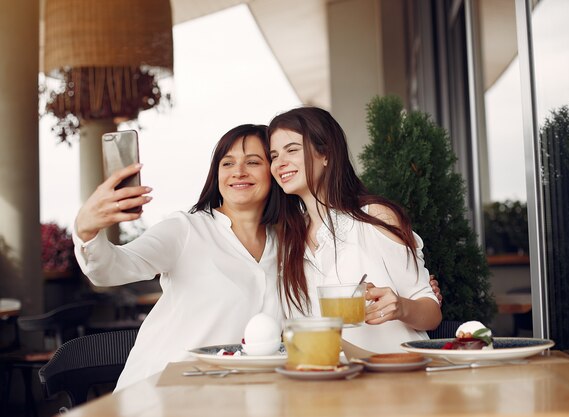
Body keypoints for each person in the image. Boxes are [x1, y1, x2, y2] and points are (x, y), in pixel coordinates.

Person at [72, 124, 283, 390]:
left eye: (253, 161)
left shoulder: (286, 245)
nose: (238, 171)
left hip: (232, 398)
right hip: (159, 393)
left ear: (273, 171)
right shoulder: (185, 229)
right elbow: (113, 269)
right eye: (227, 163)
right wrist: (87, 229)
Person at [268, 106, 442, 354]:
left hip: (395, 379)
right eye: (274, 156)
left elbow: (431, 312)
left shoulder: (375, 217)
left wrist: (401, 307)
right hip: (326, 384)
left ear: (325, 153)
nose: (280, 163)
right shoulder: (288, 240)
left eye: (292, 150)